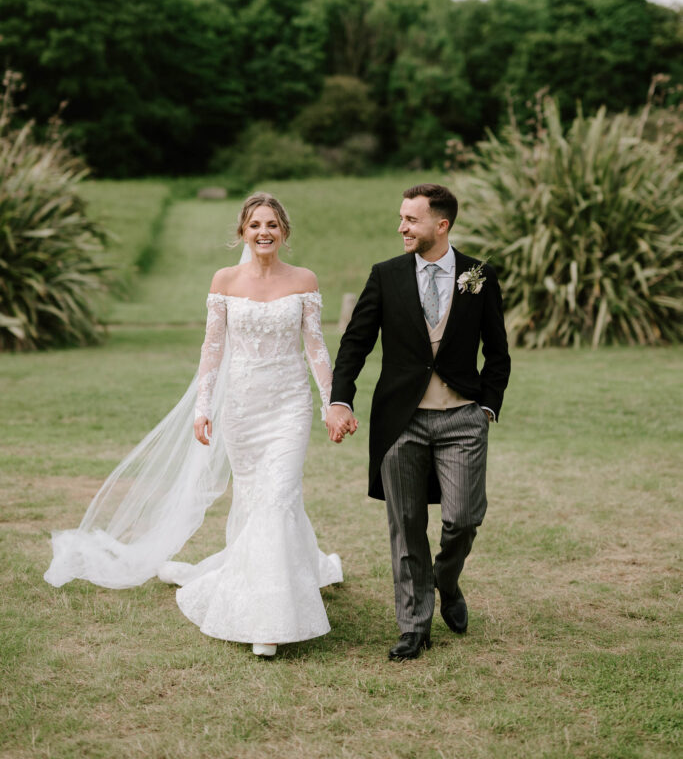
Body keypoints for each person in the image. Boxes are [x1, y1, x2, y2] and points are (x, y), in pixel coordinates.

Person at [45, 192, 341, 658]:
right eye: (254, 225)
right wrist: (204, 406)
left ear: (284, 231)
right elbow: (212, 350)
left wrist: (331, 403)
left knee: (280, 493)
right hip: (241, 408)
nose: (264, 232)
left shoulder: (304, 280)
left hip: (289, 406)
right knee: (254, 499)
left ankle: (268, 619)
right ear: (242, 232)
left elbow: (316, 349)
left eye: (272, 224)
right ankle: (278, 576)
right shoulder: (224, 281)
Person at [325, 184, 510, 661]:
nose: (401, 227)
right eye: (401, 218)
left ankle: (446, 582)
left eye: (411, 219)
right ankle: (413, 627)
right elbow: (355, 343)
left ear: (440, 225)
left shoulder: (478, 276)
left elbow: (498, 349)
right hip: (400, 423)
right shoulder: (385, 276)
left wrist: (487, 406)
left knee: (463, 520)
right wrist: (340, 399)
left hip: (462, 419)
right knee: (406, 527)